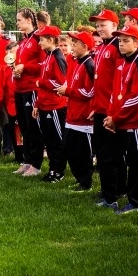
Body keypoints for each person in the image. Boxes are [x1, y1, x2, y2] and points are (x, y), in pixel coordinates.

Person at [102, 25, 138, 214]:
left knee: (136, 163)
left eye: (126, 41)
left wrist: (116, 117)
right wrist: (110, 115)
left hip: (135, 123)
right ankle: (113, 196)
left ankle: (135, 202)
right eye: (120, 41)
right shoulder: (121, 62)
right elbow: (115, 93)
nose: (121, 44)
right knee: (112, 159)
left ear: (137, 43)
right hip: (118, 121)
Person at [57, 31, 96, 191]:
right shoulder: (77, 61)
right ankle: (79, 178)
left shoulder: (89, 64)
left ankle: (86, 182)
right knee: (70, 149)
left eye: (75, 43)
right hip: (72, 115)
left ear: (85, 46)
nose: (72, 46)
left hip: (83, 118)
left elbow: (90, 92)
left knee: (83, 152)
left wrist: (68, 91)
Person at [89, 9, 121, 198]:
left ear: (114, 26)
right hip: (100, 108)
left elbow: (118, 82)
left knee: (111, 155)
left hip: (111, 110)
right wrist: (95, 106)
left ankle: (113, 192)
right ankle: (106, 190)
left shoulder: (117, 47)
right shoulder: (101, 47)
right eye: (98, 25)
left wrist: (112, 111)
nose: (99, 28)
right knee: (101, 153)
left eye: (103, 25)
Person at [12, 8, 45, 176]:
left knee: (33, 129)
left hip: (32, 89)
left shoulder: (39, 39)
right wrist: (17, 70)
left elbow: (44, 64)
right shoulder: (24, 41)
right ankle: (26, 160)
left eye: (19, 20)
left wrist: (25, 67)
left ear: (28, 20)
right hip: (20, 88)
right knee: (23, 127)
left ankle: (36, 164)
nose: (17, 23)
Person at [33, 25, 68, 182]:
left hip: (55, 106)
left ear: (51, 40)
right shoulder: (48, 56)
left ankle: (59, 171)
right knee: (49, 140)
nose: (39, 43)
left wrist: (42, 82)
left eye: (41, 40)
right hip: (45, 105)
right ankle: (53, 169)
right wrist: (37, 104)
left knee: (57, 140)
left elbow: (61, 84)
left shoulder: (58, 57)